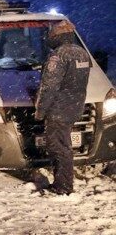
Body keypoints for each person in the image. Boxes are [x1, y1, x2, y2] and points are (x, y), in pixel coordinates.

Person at [35, 20, 90, 195]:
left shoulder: (58, 56)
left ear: (58, 37)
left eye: (51, 36)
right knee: (64, 146)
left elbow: (48, 87)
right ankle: (64, 183)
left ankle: (63, 186)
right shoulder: (82, 53)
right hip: (74, 107)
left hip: (58, 109)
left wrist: (41, 110)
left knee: (58, 147)